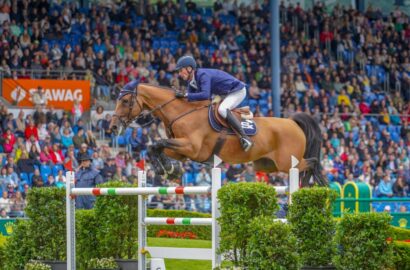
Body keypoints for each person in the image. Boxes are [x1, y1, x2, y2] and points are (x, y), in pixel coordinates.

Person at [174, 55, 253, 152]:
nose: (179, 74)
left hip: (237, 91)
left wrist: (185, 95)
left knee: (222, 109)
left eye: (180, 70)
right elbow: (190, 101)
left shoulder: (203, 75)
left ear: (189, 68)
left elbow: (205, 95)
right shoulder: (191, 82)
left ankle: (244, 137)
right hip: (223, 94)